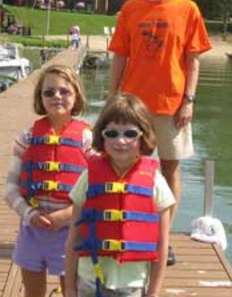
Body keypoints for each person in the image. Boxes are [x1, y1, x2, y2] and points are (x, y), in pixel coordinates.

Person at [107, 0, 211, 266]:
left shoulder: (187, 9)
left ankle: (161, 238)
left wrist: (189, 101)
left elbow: (193, 61)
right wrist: (112, 98)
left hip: (172, 104)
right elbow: (120, 56)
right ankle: (127, 232)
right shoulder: (130, 9)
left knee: (169, 168)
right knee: (128, 168)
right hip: (133, 105)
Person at [65, 93, 175, 297]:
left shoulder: (156, 182)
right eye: (112, 133)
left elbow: (162, 245)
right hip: (90, 280)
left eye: (130, 134)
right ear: (102, 136)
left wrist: (153, 293)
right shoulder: (88, 177)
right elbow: (74, 236)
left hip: (132, 285)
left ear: (143, 135)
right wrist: (69, 287)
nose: (121, 141)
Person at [4, 65, 97, 297]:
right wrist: (29, 214)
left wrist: (67, 215)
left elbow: (98, 191)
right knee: (32, 292)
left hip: (72, 230)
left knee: (71, 291)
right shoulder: (27, 137)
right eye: (49, 92)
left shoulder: (88, 138)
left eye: (64, 91)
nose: (57, 96)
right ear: (40, 97)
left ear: (76, 96)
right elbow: (10, 189)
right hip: (32, 230)